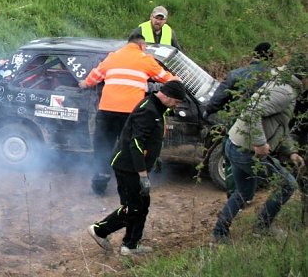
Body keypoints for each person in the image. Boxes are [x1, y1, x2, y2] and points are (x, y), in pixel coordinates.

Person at [211, 58, 307, 244]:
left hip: (235, 144)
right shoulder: (285, 92)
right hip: (246, 150)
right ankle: (262, 227)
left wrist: (290, 152)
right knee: (288, 184)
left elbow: (280, 126)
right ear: (304, 77)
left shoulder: (281, 84)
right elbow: (252, 113)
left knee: (244, 192)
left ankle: (219, 232)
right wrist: (260, 143)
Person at [87, 80, 188, 255]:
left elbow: (150, 139)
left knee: (142, 205)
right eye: (176, 101)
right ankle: (99, 230)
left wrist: (154, 158)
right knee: (132, 207)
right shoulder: (148, 110)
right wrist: (142, 174)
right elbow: (136, 143)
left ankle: (130, 245)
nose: (176, 106)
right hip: (127, 166)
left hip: (137, 165)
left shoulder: (158, 108)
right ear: (167, 96)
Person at [79, 34, 178, 194]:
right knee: (130, 148)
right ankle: (130, 185)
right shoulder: (145, 60)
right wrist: (178, 79)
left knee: (103, 146)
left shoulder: (112, 57)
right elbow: (167, 79)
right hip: (131, 113)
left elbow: (94, 77)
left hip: (106, 111)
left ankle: (99, 185)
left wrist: (84, 83)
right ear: (142, 46)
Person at [204, 42, 274, 124]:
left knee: (209, 117)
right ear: (271, 59)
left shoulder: (237, 74)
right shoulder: (274, 79)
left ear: (253, 55)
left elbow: (217, 100)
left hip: (235, 120)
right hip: (260, 123)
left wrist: (208, 111)